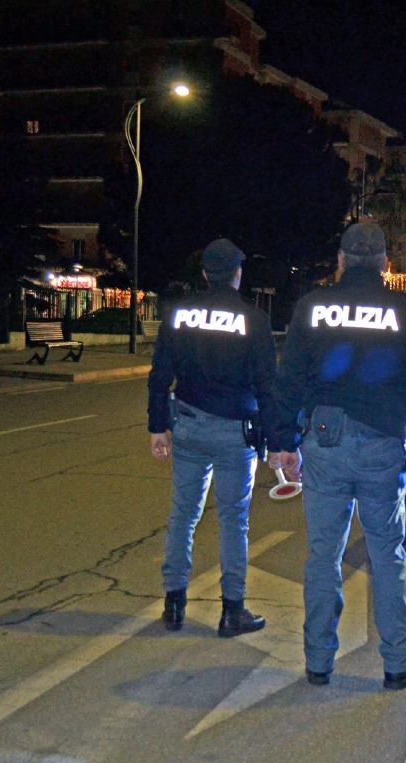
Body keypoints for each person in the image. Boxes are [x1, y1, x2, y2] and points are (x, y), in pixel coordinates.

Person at [270, 222, 406, 690]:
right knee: (387, 552)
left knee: (323, 554)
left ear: (342, 262)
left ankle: (318, 662)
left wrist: (282, 444)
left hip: (322, 441)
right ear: (386, 265)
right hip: (382, 443)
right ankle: (399, 662)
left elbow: (287, 382)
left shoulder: (312, 307)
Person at [147, 238, 275, 638]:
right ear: (238, 273)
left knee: (183, 515)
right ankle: (232, 611)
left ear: (204, 273)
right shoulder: (254, 320)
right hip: (235, 433)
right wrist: (277, 441)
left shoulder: (179, 314)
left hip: (187, 425)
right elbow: (267, 385)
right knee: (234, 521)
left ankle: (174, 604)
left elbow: (159, 373)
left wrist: (156, 426)